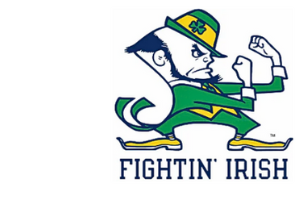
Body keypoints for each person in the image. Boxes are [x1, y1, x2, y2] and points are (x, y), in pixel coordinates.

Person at [115, 9, 291, 152]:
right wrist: (246, 80)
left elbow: (275, 87)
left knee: (229, 114)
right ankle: (168, 138)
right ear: (161, 58)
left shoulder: (205, 86)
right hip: (161, 115)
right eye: (197, 52)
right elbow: (246, 105)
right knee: (232, 112)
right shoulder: (183, 91)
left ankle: (236, 139)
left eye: (209, 54)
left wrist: (275, 58)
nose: (208, 59)